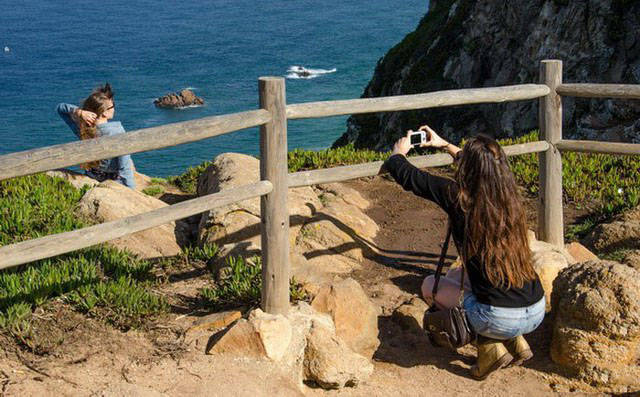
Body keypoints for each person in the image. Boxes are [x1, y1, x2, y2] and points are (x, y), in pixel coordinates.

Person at [383, 125, 545, 380]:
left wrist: (398, 154)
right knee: (459, 273)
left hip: (501, 317)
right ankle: (516, 342)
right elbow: (485, 166)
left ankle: (489, 346)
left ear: (469, 169)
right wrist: (445, 145)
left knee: (429, 285)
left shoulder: (458, 198)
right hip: (536, 310)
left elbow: (412, 178)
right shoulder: (510, 199)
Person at [56, 83, 136, 189]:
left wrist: (80, 112)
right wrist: (132, 191)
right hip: (113, 182)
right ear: (104, 112)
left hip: (91, 177)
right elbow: (124, 168)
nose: (114, 109)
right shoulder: (117, 132)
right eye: (113, 106)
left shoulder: (84, 128)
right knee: (129, 162)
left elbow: (60, 108)